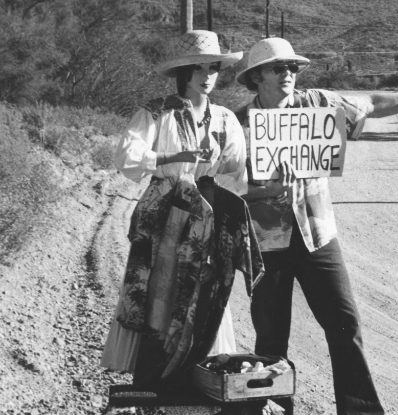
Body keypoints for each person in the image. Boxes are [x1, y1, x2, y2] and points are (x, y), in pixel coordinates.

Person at [234, 37, 398, 415]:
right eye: (279, 68)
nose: (289, 73)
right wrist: (263, 189)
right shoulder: (239, 124)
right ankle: (272, 406)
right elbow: (225, 186)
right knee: (271, 336)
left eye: (293, 67)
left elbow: (371, 104)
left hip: (317, 234)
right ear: (257, 77)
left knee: (344, 324)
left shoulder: (318, 104)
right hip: (265, 242)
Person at [100, 30, 262, 389]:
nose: (207, 76)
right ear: (183, 72)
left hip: (206, 213)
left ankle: (197, 372)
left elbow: (237, 170)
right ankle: (154, 376)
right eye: (198, 68)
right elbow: (126, 157)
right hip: (164, 215)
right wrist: (177, 157)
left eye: (213, 68)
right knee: (159, 290)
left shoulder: (224, 118)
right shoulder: (156, 111)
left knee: (204, 288)